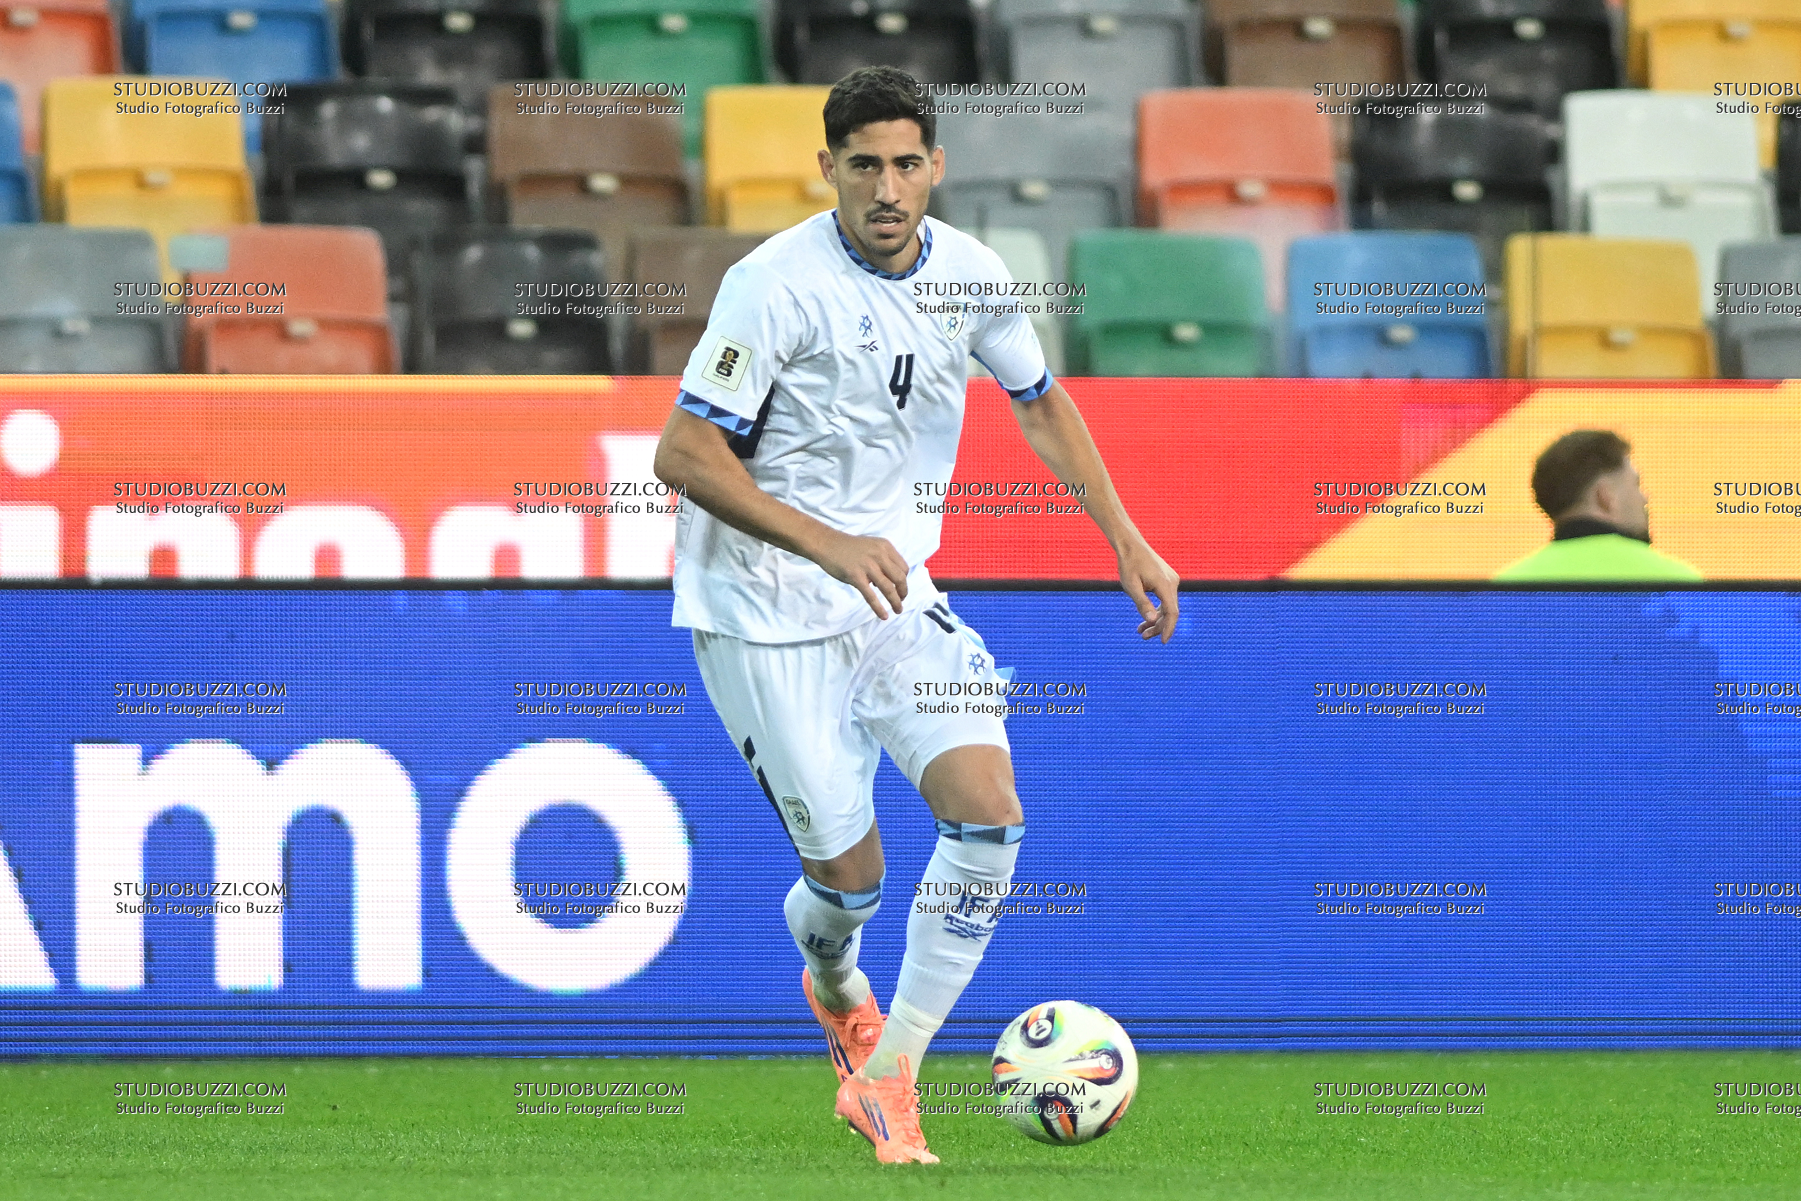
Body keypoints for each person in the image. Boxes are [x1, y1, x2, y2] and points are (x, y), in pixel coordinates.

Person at [651, 66, 1179, 1164]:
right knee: (850, 887)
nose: (886, 189)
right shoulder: (771, 284)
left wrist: (1125, 536)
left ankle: (890, 1075)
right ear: (828, 168)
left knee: (988, 813)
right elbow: (685, 452)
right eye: (863, 166)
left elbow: (1042, 404)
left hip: (897, 598)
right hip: (762, 611)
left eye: (904, 165)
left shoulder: (973, 274)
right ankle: (836, 982)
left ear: (936, 165)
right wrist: (828, 542)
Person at [1493, 430, 1700, 581]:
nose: (1644, 499)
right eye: (1636, 484)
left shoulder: (1507, 587)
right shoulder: (1677, 583)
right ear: (1606, 496)